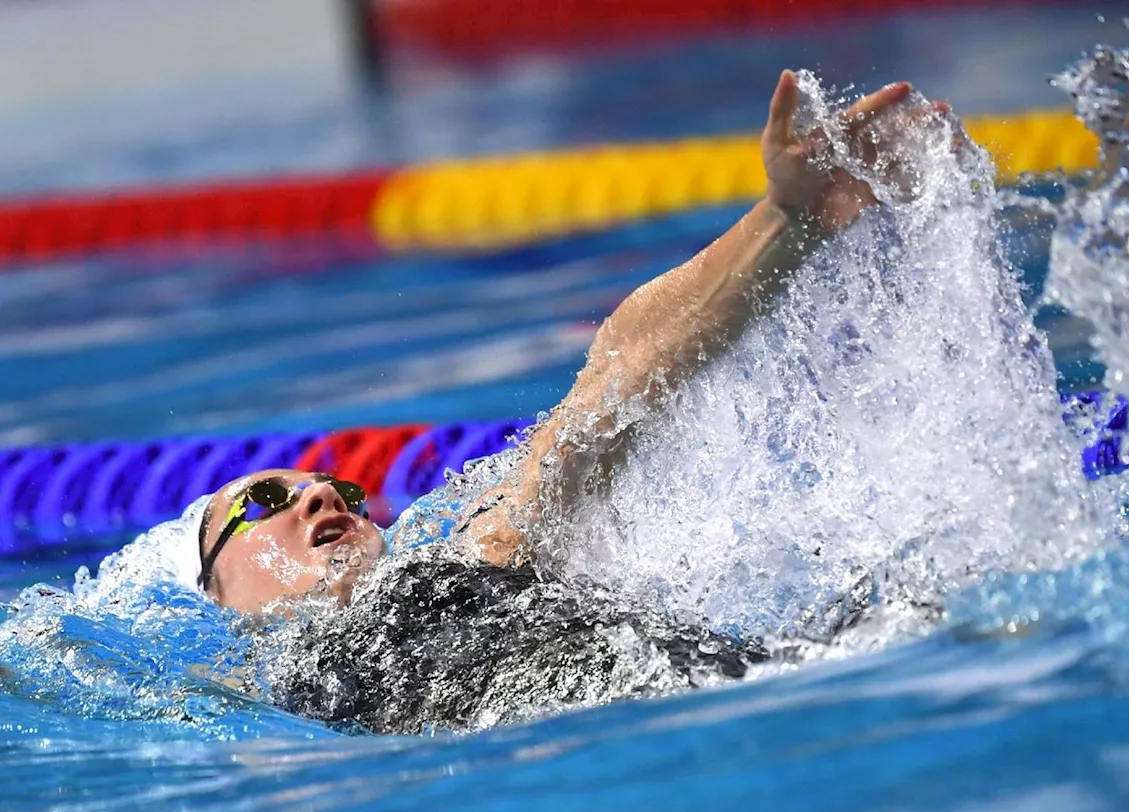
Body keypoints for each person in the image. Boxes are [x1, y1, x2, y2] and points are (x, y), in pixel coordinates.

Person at [179, 72, 953, 732]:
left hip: (769, 693)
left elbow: (617, 378)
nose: (319, 489)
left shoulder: (457, 569)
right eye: (266, 499)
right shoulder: (245, 711)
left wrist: (788, 223)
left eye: (341, 488)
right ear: (220, 595)